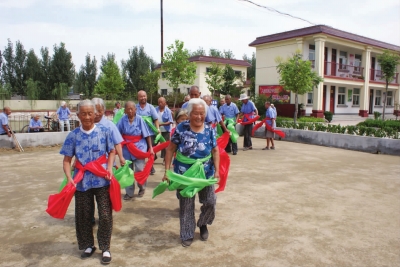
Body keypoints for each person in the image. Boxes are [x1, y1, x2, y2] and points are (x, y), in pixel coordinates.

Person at [59, 99, 115, 264]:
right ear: (78, 115)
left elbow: (112, 151)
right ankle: (88, 245)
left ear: (96, 114)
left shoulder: (104, 131)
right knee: (83, 215)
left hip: (102, 181)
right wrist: (69, 178)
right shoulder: (73, 136)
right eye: (83, 113)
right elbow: (67, 160)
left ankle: (105, 247)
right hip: (82, 182)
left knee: (105, 215)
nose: (87, 117)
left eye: (90, 113)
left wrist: (110, 168)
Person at [163, 98, 220, 247]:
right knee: (186, 205)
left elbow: (215, 151)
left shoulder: (209, 129)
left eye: (202, 114)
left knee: (210, 201)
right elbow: (170, 149)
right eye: (195, 113)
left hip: (206, 174)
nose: (199, 117)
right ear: (189, 114)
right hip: (184, 174)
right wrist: (167, 171)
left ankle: (203, 223)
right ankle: (187, 233)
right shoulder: (181, 128)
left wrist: (217, 171)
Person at [117, 101, 154, 200]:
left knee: (139, 169)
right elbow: (117, 135)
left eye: (131, 109)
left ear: (135, 109)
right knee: (127, 171)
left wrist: (150, 148)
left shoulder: (140, 119)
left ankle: (142, 187)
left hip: (139, 147)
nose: (129, 111)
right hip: (126, 148)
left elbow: (147, 135)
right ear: (124, 111)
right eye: (127, 109)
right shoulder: (122, 120)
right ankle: (129, 193)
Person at [136, 90, 160, 175]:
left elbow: (155, 119)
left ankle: (150, 167)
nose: (143, 98)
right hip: (140, 135)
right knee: (143, 151)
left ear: (147, 97)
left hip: (150, 133)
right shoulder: (135, 108)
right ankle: (146, 167)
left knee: (151, 150)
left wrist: (157, 129)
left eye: (144, 96)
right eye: (141, 96)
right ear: (138, 98)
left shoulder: (151, 107)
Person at [156, 97, 173, 164]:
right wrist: (157, 126)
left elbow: (170, 121)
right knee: (153, 144)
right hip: (157, 131)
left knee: (166, 146)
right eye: (159, 102)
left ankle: (165, 160)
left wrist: (161, 124)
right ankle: (153, 156)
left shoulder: (168, 111)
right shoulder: (155, 110)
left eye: (161, 102)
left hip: (166, 131)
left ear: (165, 103)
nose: (160, 104)